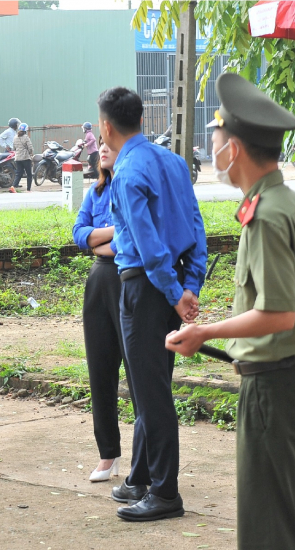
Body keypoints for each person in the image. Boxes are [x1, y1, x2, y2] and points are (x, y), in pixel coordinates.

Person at [165, 73, 295, 550]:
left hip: (275, 391)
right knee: (287, 522)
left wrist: (205, 332)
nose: (210, 149)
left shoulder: (265, 215)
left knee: (267, 532)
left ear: (233, 148)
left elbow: (279, 314)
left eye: (214, 139)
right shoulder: (289, 203)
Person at [98, 86, 207, 522]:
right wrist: (189, 285)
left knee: (151, 392)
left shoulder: (126, 171)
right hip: (174, 281)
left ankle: (164, 492)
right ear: (141, 118)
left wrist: (171, 290)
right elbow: (196, 225)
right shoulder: (174, 161)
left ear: (106, 126)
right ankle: (141, 476)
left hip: (145, 287)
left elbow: (146, 244)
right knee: (152, 382)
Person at [72, 136, 130, 483]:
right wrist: (107, 238)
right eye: (101, 145)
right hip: (99, 283)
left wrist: (100, 242)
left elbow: (133, 237)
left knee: (138, 374)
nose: (103, 149)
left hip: (130, 279)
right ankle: (108, 453)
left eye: (111, 144)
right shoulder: (95, 193)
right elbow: (79, 232)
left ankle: (150, 456)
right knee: (100, 370)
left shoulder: (133, 185)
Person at [12, 123, 34, 191]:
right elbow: (30, 148)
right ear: (25, 130)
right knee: (29, 174)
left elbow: (14, 148)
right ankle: (28, 189)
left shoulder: (15, 137)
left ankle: (13, 187)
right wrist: (31, 154)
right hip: (25, 158)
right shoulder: (26, 137)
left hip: (18, 158)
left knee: (19, 173)